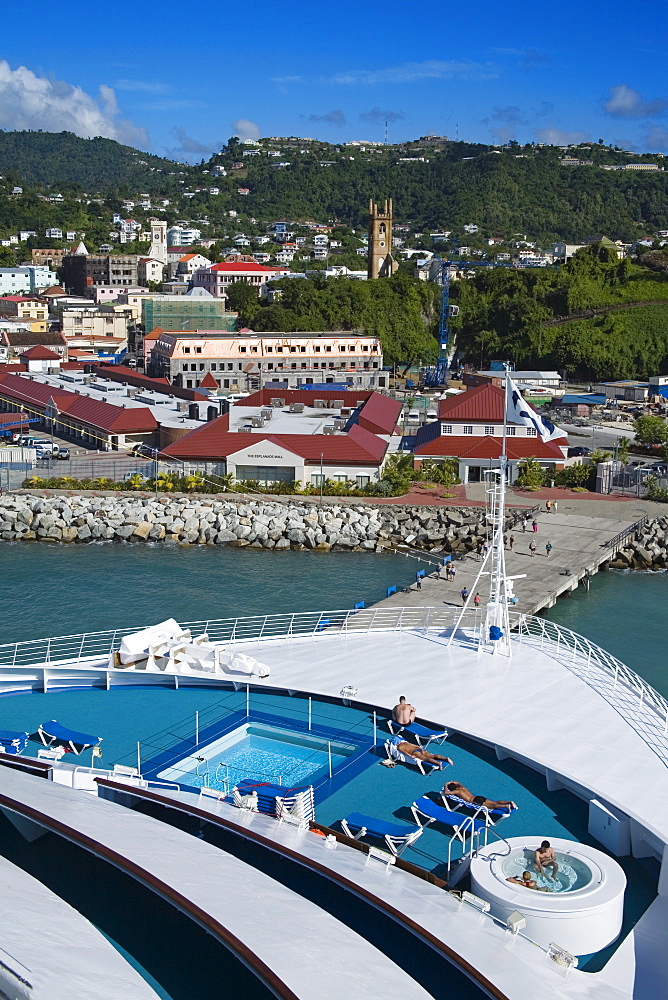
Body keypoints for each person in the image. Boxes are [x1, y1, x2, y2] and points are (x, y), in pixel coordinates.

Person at [442, 780, 517, 811]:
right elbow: (457, 782)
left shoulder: (457, 792)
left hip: (475, 801)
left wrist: (446, 785)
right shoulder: (462, 787)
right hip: (478, 797)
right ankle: (509, 802)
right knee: (495, 802)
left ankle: (505, 806)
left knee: (492, 807)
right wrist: (450, 782)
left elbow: (446, 792)